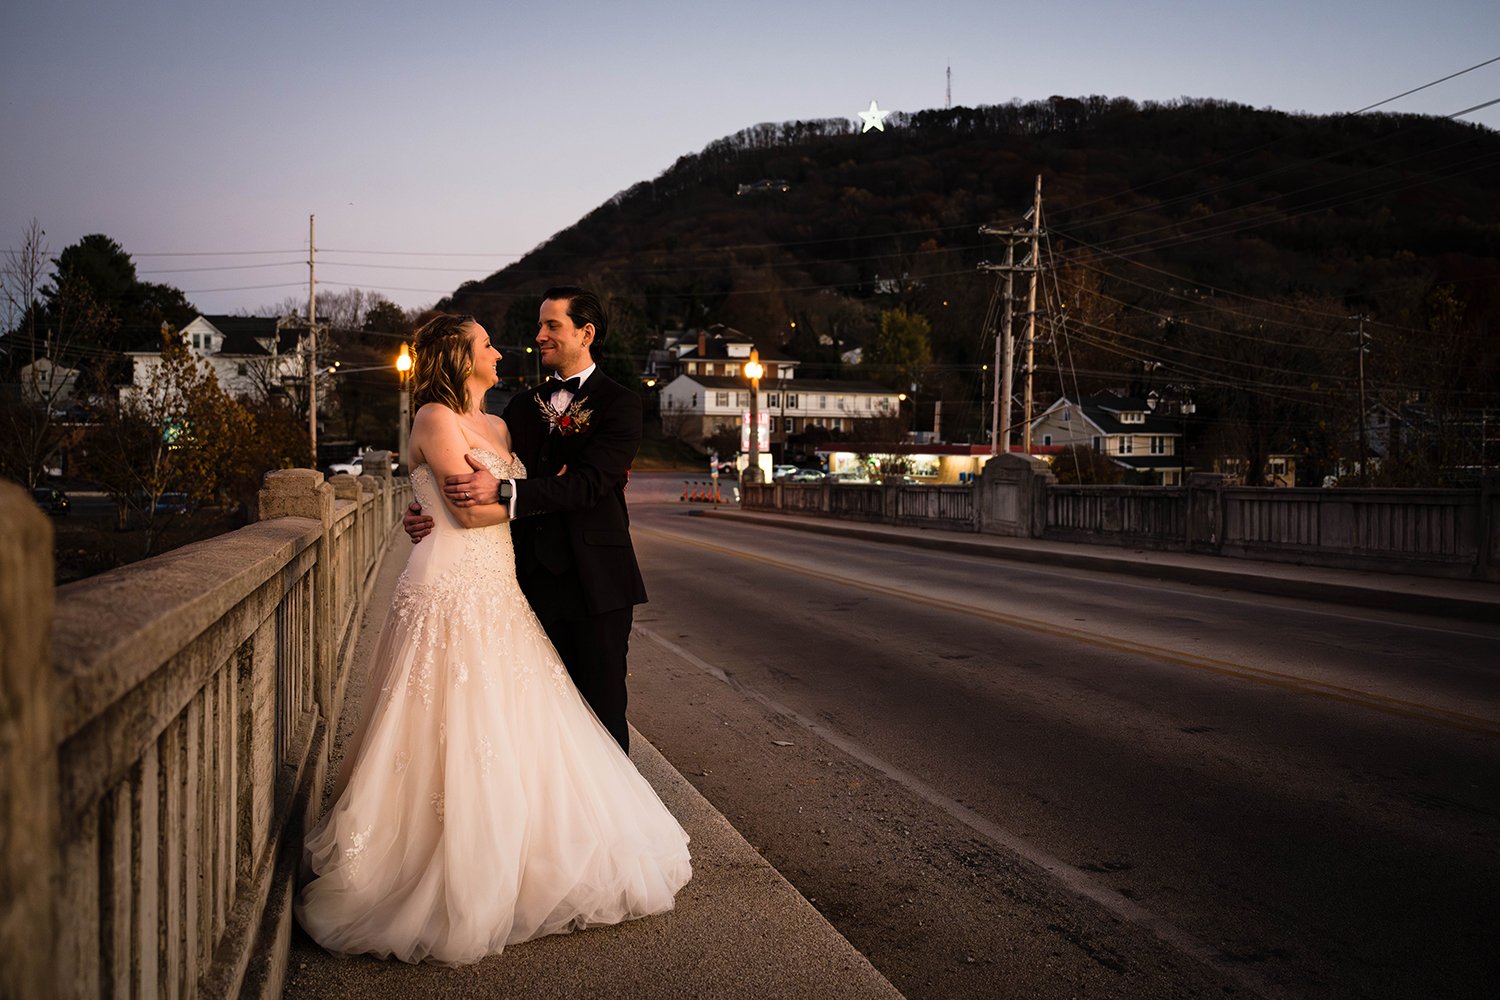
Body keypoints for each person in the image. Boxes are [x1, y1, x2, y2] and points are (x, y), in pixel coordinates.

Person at [296, 312, 690, 965]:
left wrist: (526, 489)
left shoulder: (505, 425)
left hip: (500, 589)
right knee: (437, 727)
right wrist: (426, 501)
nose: (501, 350)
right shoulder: (433, 419)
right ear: (459, 356)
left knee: (513, 726)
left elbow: (524, 494)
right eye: (486, 343)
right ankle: (427, 864)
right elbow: (464, 509)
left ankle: (521, 855)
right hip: (445, 587)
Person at [402, 286, 644, 752]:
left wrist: (508, 490)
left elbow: (589, 484)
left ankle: (603, 820)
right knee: (532, 715)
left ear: (586, 333)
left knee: (602, 707)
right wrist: (422, 508)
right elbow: (457, 470)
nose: (539, 336)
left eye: (552, 326)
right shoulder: (517, 410)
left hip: (595, 580)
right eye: (540, 326)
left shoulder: (621, 404)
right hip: (525, 580)